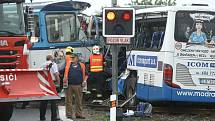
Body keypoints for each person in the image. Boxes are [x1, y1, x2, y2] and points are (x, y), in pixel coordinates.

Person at [63, 53, 86, 119]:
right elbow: (64, 72)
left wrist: (84, 81)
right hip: (69, 85)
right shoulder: (68, 65)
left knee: (79, 101)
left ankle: (78, 114)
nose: (72, 59)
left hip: (79, 85)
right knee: (68, 101)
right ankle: (69, 114)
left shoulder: (82, 65)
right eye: (71, 58)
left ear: (77, 58)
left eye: (73, 58)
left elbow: (86, 74)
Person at [40, 55, 62, 121]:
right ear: (51, 58)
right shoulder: (53, 64)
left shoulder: (42, 65)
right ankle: (54, 117)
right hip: (51, 82)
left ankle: (42, 117)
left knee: (43, 101)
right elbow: (56, 74)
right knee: (53, 100)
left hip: (44, 83)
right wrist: (59, 82)